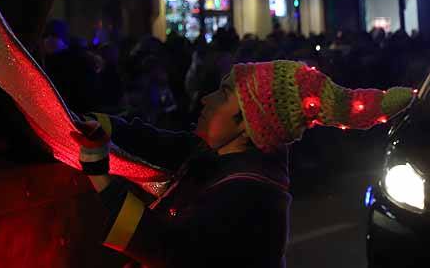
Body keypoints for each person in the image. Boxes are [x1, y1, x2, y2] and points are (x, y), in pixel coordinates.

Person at [72, 60, 415, 267]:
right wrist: (101, 124)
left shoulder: (251, 194)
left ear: (248, 124)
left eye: (221, 96)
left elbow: (171, 251)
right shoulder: (222, 155)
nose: (205, 99)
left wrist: (101, 179)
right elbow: (162, 144)